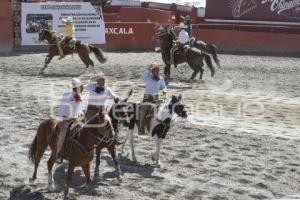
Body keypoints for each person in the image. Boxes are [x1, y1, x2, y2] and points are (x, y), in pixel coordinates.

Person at [85, 73, 122, 144]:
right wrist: (88, 83)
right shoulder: (91, 86)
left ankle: (115, 138)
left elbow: (114, 95)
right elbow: (82, 87)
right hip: (91, 109)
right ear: (97, 81)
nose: (104, 81)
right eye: (102, 80)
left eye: (104, 80)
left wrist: (116, 98)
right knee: (87, 124)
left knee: (109, 122)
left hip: (102, 111)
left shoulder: (107, 89)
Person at [56, 78, 85, 162]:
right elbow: (61, 108)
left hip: (76, 119)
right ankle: (58, 153)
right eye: (81, 86)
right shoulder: (66, 96)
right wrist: (61, 119)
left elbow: (79, 108)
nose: (83, 88)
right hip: (66, 119)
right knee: (63, 134)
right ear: (76, 87)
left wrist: (81, 113)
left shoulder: (80, 97)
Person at [139, 64, 167, 135]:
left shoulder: (161, 79)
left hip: (156, 98)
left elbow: (164, 87)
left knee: (157, 112)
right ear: (152, 71)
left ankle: (157, 128)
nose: (157, 72)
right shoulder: (148, 77)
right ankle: (141, 128)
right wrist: (149, 68)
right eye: (155, 70)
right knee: (144, 111)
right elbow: (142, 77)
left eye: (158, 70)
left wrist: (164, 92)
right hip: (147, 97)